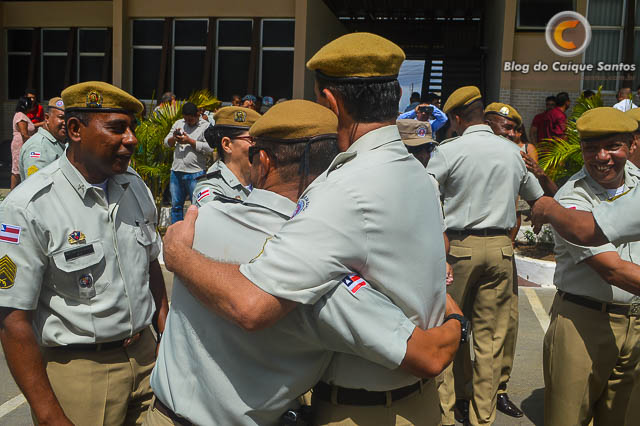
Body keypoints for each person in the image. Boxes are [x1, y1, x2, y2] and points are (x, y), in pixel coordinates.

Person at [162, 32, 460, 425]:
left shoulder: (341, 191)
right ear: (397, 96)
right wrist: (453, 316)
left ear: (331, 103)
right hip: (418, 403)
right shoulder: (418, 174)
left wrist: (178, 254)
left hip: (362, 410)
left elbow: (251, 305)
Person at [0, 81, 169, 426]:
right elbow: (12, 320)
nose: (132, 139)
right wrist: (48, 415)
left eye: (132, 128)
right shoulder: (29, 206)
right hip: (81, 371)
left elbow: (151, 266)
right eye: (117, 128)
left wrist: (165, 338)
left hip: (146, 358)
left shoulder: (134, 186)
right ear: (76, 130)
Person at [426, 86, 544, 426]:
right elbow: (536, 196)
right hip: (501, 249)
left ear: (457, 118)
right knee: (491, 339)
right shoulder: (512, 152)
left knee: (449, 329)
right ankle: (483, 418)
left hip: (458, 249)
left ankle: (448, 413)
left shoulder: (448, 151)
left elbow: (426, 197)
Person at [542, 106, 640, 426]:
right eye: (590, 148)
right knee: (568, 418)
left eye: (613, 146)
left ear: (631, 145)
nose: (601, 157)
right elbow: (613, 270)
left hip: (636, 322)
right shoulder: (572, 198)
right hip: (583, 323)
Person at [481, 102, 528, 419]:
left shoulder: (518, 158)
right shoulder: (465, 152)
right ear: (488, 125)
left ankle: (498, 389)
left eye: (514, 129)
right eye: (506, 127)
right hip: (464, 245)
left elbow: (520, 208)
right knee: (462, 324)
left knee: (507, 324)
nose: (511, 134)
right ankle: (462, 392)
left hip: (503, 248)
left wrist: (509, 243)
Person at [192, 106, 260, 205]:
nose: (259, 146)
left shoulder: (263, 181)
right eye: (252, 139)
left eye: (261, 140)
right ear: (227, 144)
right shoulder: (212, 188)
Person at [164, 102, 212, 223]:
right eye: (186, 119)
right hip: (176, 171)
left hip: (196, 172)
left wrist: (190, 141)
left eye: (190, 120)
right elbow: (166, 142)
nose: (188, 122)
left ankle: (197, 230)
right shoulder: (179, 123)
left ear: (197, 115)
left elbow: (210, 148)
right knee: (176, 206)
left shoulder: (206, 126)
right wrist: (174, 138)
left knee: (197, 206)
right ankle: (177, 230)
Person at [19, 97, 66, 181]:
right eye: (61, 117)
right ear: (47, 118)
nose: (65, 123)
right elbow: (35, 184)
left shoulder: (57, 142)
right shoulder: (38, 147)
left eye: (68, 118)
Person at [10, 96, 36, 189]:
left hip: (24, 144)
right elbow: (24, 134)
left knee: (22, 167)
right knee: (17, 169)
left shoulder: (22, 115)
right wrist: (34, 143)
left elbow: (29, 126)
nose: (32, 107)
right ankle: (12, 192)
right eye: (31, 105)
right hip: (20, 145)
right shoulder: (21, 116)